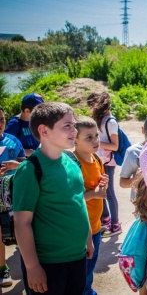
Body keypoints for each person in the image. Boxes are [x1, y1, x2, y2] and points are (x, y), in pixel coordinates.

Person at [13, 102, 93, 294]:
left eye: (74, 125)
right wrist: (32, 267)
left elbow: (79, 201)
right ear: (44, 130)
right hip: (49, 263)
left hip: (77, 257)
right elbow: (22, 222)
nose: (74, 130)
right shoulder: (31, 169)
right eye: (67, 126)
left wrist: (88, 239)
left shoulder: (73, 161)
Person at [73, 116, 109, 295]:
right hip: (80, 229)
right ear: (75, 139)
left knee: (89, 269)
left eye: (96, 135)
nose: (96, 141)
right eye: (89, 137)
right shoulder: (73, 164)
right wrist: (94, 194)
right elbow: (71, 198)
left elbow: (99, 185)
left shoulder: (97, 159)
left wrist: (103, 183)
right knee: (82, 272)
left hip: (96, 226)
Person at [0, 105, 25, 287]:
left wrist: (14, 165)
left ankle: (28, 265)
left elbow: (25, 163)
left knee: (19, 230)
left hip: (13, 193)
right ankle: (3, 269)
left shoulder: (13, 141)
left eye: (1, 120)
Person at [90, 92, 121, 237]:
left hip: (108, 162)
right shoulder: (99, 120)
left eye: (92, 105)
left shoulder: (111, 122)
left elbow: (115, 146)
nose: (91, 108)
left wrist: (95, 142)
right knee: (100, 191)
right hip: (99, 160)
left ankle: (115, 224)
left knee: (109, 193)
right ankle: (106, 219)